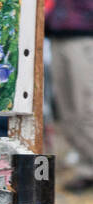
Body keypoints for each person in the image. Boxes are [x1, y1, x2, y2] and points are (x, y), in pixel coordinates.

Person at [49, 0, 93, 192]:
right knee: (68, 111)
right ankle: (87, 169)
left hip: (83, 36)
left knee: (86, 106)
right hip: (56, 35)